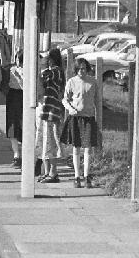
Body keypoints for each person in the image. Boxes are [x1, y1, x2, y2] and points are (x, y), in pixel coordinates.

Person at [60, 58, 100, 188]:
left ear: (87, 69)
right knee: (76, 148)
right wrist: (71, 109)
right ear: (75, 70)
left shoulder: (93, 82)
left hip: (88, 118)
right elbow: (65, 100)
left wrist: (98, 119)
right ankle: (77, 176)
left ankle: (87, 176)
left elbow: (97, 101)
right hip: (76, 118)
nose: (81, 71)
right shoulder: (71, 82)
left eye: (83, 68)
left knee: (88, 148)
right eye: (79, 69)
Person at [36, 48, 65, 183]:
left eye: (47, 58)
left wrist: (40, 65)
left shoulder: (56, 72)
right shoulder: (50, 72)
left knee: (51, 141)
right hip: (44, 110)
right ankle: (47, 171)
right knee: (43, 141)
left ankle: (53, 172)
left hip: (51, 111)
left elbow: (43, 79)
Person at [6, 50, 25, 168]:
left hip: (23, 96)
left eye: (18, 58)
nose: (17, 61)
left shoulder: (28, 70)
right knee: (12, 127)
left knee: (23, 126)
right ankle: (16, 155)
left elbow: (25, 85)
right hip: (12, 96)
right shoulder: (11, 70)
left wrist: (18, 76)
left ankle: (25, 154)